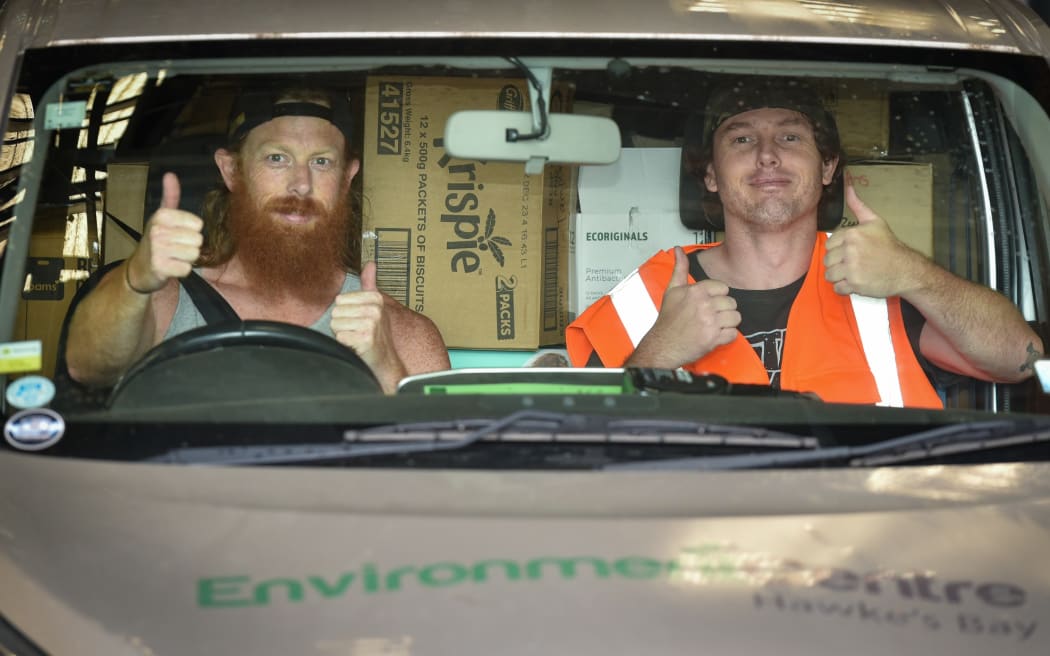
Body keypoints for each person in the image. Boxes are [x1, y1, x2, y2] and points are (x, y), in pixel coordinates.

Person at [566, 77, 1044, 408]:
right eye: (741, 139)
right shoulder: (644, 298)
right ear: (710, 175)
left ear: (828, 168)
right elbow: (572, 443)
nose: (768, 155)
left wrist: (915, 274)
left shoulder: (881, 283)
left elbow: (1020, 359)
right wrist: (659, 354)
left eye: (791, 137)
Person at [64, 86, 450, 394]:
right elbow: (86, 367)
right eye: (277, 158)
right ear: (232, 170)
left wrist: (385, 368)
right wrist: (136, 279)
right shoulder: (164, 299)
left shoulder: (400, 333)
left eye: (321, 162)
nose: (301, 184)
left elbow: (435, 475)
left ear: (347, 177)